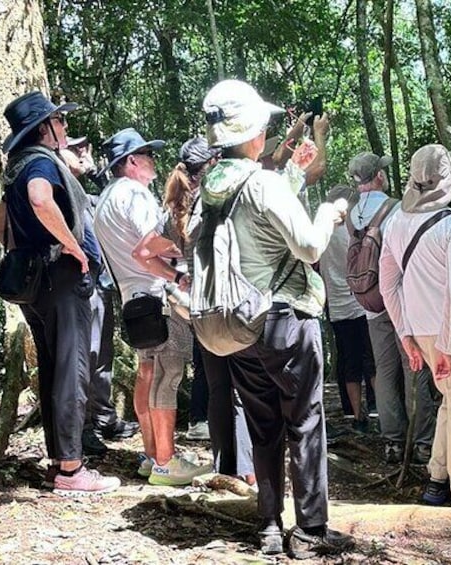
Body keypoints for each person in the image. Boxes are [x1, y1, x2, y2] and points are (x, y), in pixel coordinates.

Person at [200, 79, 352, 559]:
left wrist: (293, 174)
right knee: (305, 420)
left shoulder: (212, 185)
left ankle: (268, 525)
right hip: (285, 316)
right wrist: (329, 212)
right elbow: (307, 245)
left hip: (240, 323)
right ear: (253, 133)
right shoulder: (260, 182)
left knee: (263, 423)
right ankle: (310, 532)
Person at [0, 90, 120, 495]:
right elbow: (40, 199)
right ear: (45, 128)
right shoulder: (40, 163)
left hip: (36, 284)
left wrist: (23, 249)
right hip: (62, 276)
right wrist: (71, 245)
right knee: (72, 370)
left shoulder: (15, 166)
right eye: (60, 121)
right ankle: (71, 469)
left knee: (54, 369)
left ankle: (58, 463)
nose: (65, 127)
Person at [380, 144, 451, 510]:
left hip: (423, 328)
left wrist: (407, 335)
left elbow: (387, 284)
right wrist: (446, 344)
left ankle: (438, 476)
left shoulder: (395, 221)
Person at [94, 128, 209, 486]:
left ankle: (151, 454)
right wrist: (182, 263)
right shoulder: (134, 193)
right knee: (167, 375)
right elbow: (151, 246)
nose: (154, 161)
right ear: (131, 162)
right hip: (157, 297)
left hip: (132, 299)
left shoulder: (105, 199)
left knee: (148, 372)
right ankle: (166, 461)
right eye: (148, 154)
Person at [163, 135, 255, 483]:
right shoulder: (219, 202)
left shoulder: (175, 210)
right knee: (244, 388)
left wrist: (175, 275)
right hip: (230, 305)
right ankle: (248, 472)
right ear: (213, 163)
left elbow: (144, 250)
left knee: (218, 388)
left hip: (201, 309)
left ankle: (224, 467)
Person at [346, 152, 437, 465]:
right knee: (415, 365)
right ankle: (423, 442)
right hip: (402, 300)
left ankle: (393, 443)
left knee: (384, 371)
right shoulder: (395, 208)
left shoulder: (352, 213)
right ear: (379, 177)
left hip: (371, 303)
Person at [62, 134, 140, 458]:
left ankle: (104, 418)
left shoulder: (85, 190)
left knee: (102, 355)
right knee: (86, 357)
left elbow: (109, 200)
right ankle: (83, 430)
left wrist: (96, 171)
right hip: (79, 283)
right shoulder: (58, 184)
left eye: (85, 147)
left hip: (103, 284)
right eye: (75, 148)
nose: (83, 152)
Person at [318, 185, 377, 431]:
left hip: (338, 306)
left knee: (350, 361)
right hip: (361, 303)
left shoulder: (321, 233)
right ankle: (381, 411)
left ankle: (357, 416)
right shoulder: (353, 232)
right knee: (371, 359)